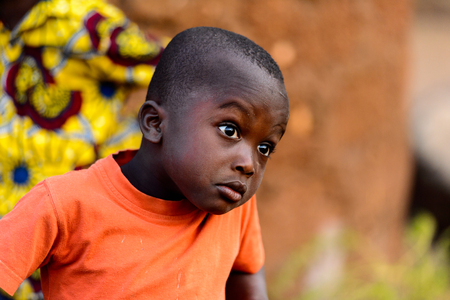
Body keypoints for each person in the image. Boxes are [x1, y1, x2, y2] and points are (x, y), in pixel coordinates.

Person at [0, 26, 290, 299]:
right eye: (230, 130)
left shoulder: (233, 207)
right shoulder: (66, 205)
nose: (249, 164)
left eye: (265, 147)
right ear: (155, 123)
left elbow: (247, 280)